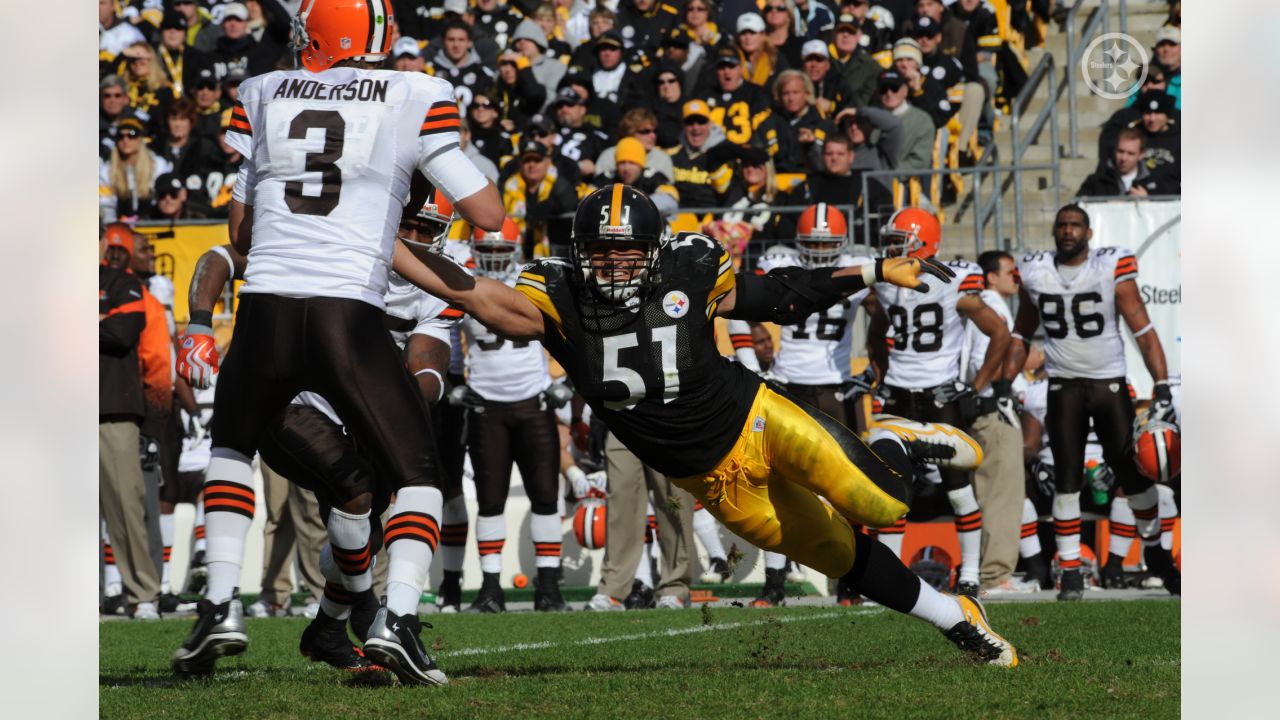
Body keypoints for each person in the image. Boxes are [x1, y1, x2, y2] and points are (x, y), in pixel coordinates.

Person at [392, 184, 1019, 667]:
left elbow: (778, 296)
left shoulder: (689, 268)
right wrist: (382, 242)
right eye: (601, 253)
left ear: (654, 249)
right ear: (580, 254)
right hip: (712, 480)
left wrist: (873, 269)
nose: (612, 266)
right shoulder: (555, 294)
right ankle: (956, 618)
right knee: (838, 553)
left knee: (883, 503)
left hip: (758, 418)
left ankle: (892, 435)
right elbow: (475, 294)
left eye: (627, 252)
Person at [170, 0, 505, 685]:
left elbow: (237, 235)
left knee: (230, 446)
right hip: (344, 311)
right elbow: (489, 214)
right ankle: (399, 622)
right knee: (415, 473)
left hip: (266, 305)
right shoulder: (414, 92)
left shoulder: (262, 90)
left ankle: (219, 605)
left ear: (314, 36)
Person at [1008, 204, 1180, 601]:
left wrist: (1162, 384)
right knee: (1066, 479)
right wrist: (1003, 383)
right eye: (1062, 225)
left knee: (1134, 477)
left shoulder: (1109, 267)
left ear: (1088, 232)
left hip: (1108, 385)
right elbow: (1021, 333)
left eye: (1075, 226)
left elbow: (1143, 329)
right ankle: (1070, 571)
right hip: (1064, 387)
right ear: (1054, 231)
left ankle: (1155, 553)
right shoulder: (1035, 271)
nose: (1067, 231)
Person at [864, 207, 1011, 597]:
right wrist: (879, 375)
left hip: (939, 395)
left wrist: (975, 386)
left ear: (922, 244)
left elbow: (1000, 334)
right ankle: (889, 574)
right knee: (890, 488)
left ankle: (970, 575)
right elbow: (876, 332)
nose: (892, 247)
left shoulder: (953, 281)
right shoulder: (886, 283)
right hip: (896, 394)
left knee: (958, 487)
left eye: (900, 240)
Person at [748, 204, 876, 607]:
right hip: (787, 383)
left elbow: (883, 316)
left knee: (847, 485)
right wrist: (758, 359)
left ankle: (853, 581)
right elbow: (749, 311)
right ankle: (774, 582)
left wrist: (877, 367)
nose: (820, 251)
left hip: (834, 386)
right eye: (813, 244)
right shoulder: (780, 262)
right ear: (799, 244)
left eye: (828, 244)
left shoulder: (855, 270)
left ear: (842, 244)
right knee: (777, 482)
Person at [454, 220, 571, 613]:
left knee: (545, 496)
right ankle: (490, 589)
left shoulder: (534, 281)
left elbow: (568, 329)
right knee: (490, 500)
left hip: (533, 401)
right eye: (490, 249)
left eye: (503, 250)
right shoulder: (464, 281)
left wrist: (564, 380)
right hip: (487, 405)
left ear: (515, 249)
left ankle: (549, 587)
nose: (495, 257)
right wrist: (454, 379)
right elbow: (450, 335)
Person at [960, 250, 1038, 594]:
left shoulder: (982, 301)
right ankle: (995, 575)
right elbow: (984, 356)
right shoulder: (990, 302)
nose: (1016, 277)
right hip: (993, 407)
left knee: (990, 492)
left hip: (985, 406)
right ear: (990, 276)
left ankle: (986, 571)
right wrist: (994, 389)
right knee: (1001, 494)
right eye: (1009, 271)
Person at [99, 225, 162, 620]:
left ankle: (143, 594)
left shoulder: (123, 282)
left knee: (126, 506)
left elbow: (124, 333)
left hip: (112, 409)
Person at [100, 117, 173, 224]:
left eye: (132, 135)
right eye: (121, 136)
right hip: (119, 226)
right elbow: (104, 203)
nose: (126, 140)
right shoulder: (106, 170)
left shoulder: (158, 165)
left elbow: (166, 196)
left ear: (140, 138)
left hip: (153, 222)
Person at [1076, 128, 1178, 198]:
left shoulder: (1157, 182)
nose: (1124, 158)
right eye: (1120, 151)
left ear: (1141, 154)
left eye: (1130, 153)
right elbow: (1077, 210)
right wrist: (1105, 206)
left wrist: (1148, 202)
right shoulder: (1096, 181)